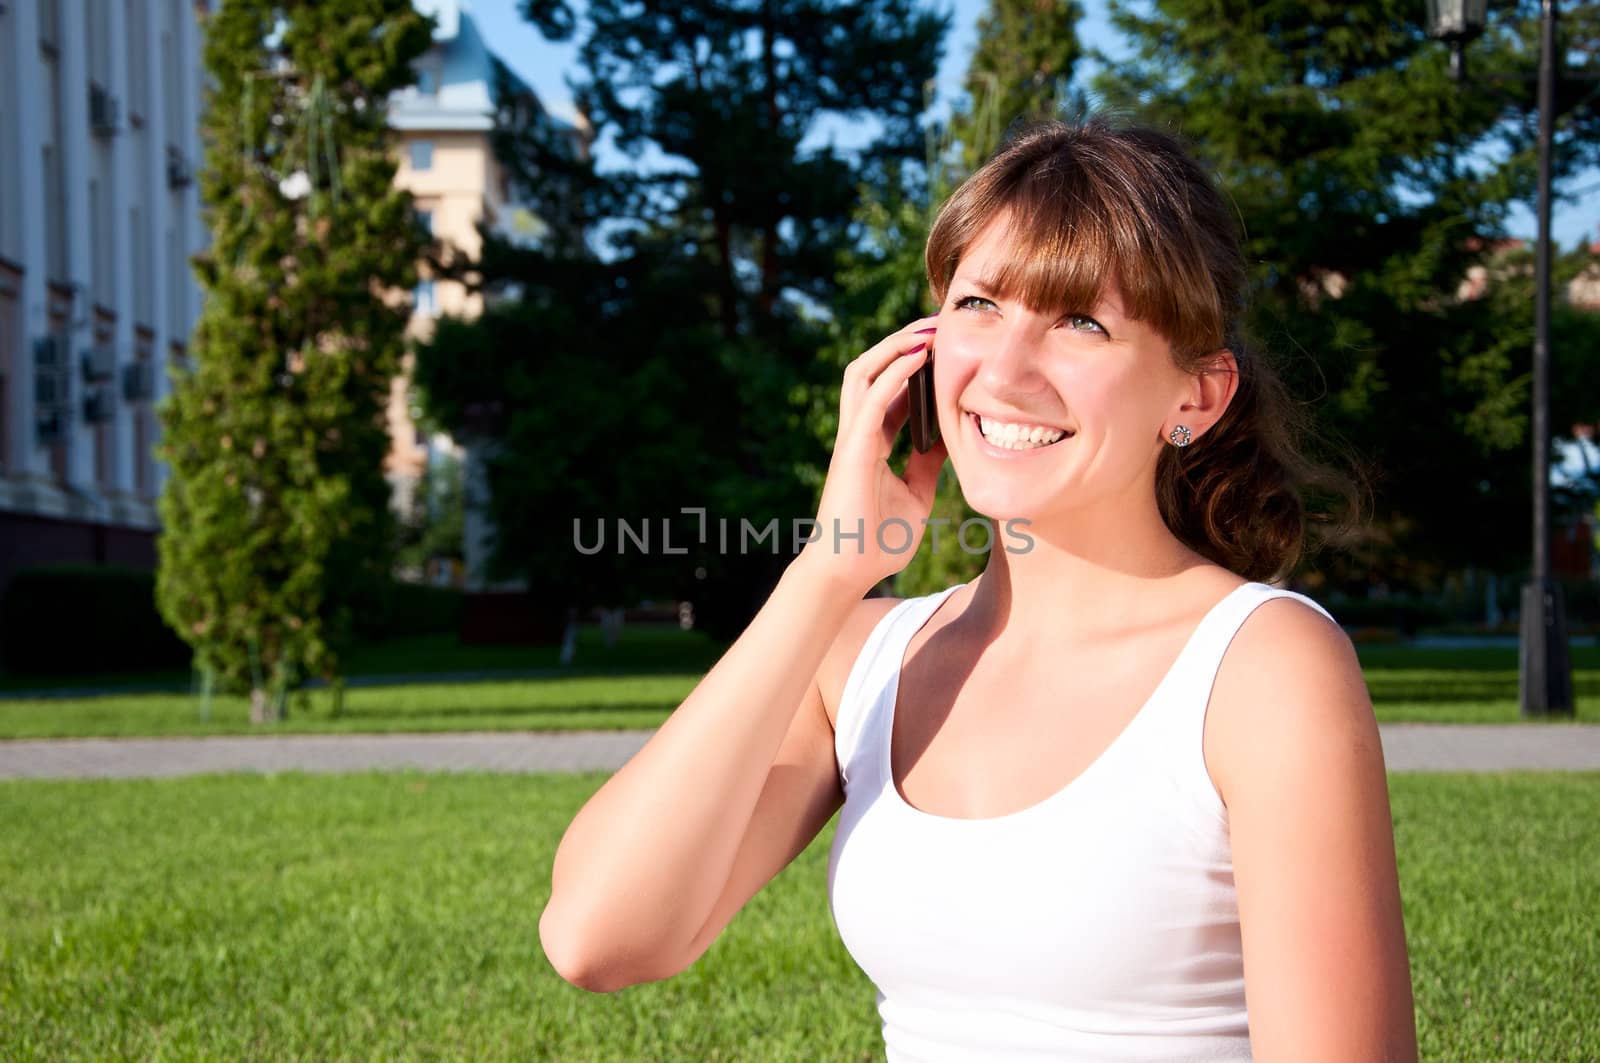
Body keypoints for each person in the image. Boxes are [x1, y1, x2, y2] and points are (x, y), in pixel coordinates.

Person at [539, 118, 1418, 1061]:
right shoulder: (861, 657)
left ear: (1195, 397)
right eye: (979, 304)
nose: (1004, 370)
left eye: (1081, 321)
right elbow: (599, 936)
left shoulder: (1261, 667)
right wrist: (829, 569)